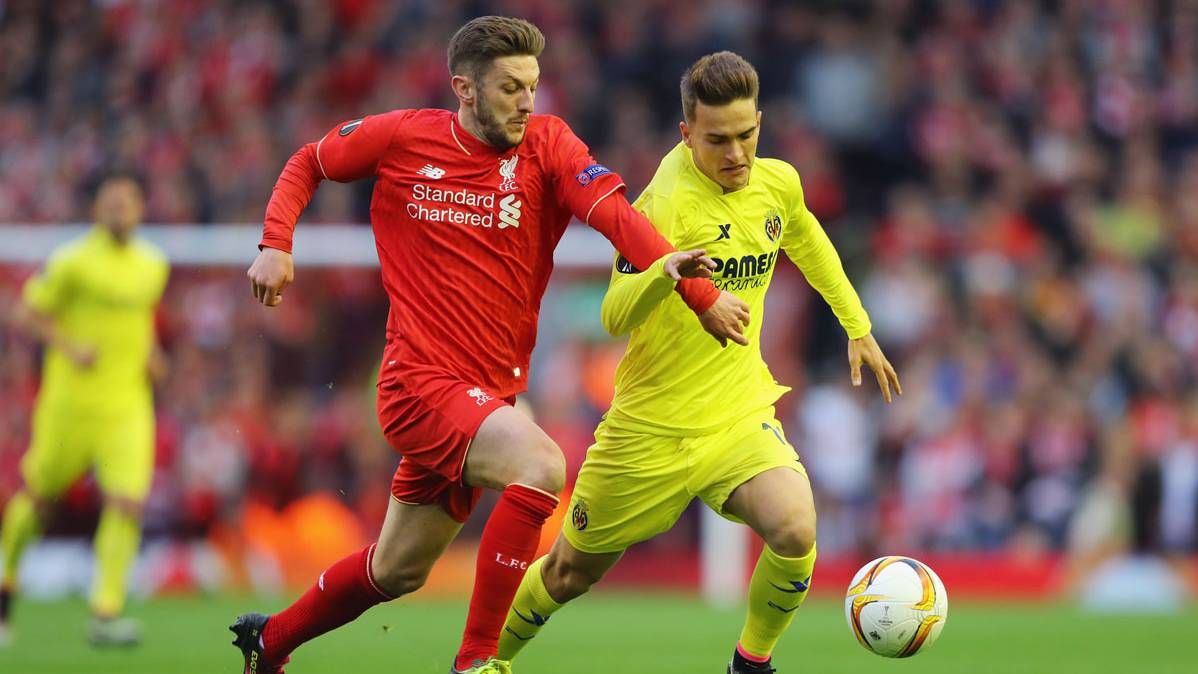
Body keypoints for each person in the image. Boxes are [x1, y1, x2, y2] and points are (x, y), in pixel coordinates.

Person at [230, 16, 750, 674]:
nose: (527, 101)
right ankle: (476, 662)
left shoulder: (549, 146)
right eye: (510, 88)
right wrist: (276, 242)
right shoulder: (401, 138)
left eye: (532, 86)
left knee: (396, 570)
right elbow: (308, 160)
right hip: (417, 385)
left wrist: (698, 294)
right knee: (541, 464)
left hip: (487, 393)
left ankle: (270, 642)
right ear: (465, 90)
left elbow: (618, 217)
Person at [495, 51, 902, 674]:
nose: (736, 153)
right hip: (648, 432)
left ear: (760, 122)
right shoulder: (664, 207)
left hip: (736, 417)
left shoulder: (778, 182)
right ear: (687, 134)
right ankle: (483, 662)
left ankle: (751, 663)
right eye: (717, 140)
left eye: (747, 135)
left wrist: (858, 326)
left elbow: (807, 237)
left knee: (795, 529)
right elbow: (613, 315)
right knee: (569, 573)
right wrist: (664, 272)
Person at [0, 173, 169, 648]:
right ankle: (6, 582)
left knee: (127, 501)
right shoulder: (71, 261)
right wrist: (69, 347)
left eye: (128, 201)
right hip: (69, 404)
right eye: (111, 202)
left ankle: (105, 612)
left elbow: (139, 320)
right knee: (37, 499)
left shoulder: (152, 264)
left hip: (127, 404)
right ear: (97, 209)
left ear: (140, 208)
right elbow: (26, 312)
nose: (120, 209)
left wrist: (153, 354)